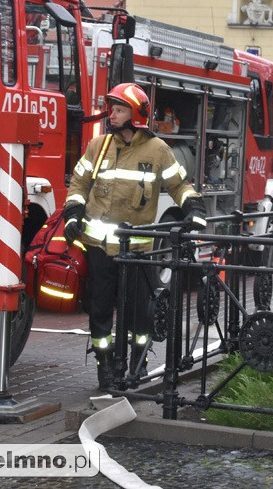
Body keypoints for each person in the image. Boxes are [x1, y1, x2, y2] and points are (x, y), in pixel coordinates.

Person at [62, 83, 206, 390]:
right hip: (99, 247)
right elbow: (78, 185)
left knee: (139, 313)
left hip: (138, 249)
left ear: (136, 115)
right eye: (111, 109)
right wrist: (73, 212)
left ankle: (136, 365)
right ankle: (106, 370)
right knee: (99, 309)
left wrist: (193, 207)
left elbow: (179, 186)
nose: (111, 115)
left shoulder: (157, 151)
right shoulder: (98, 146)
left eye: (118, 110)